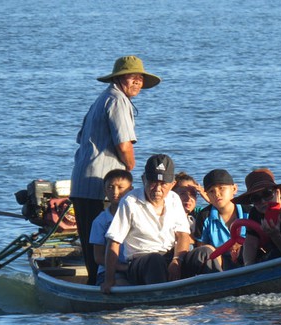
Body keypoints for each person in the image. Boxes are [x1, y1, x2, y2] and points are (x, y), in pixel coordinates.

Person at [70, 55, 161, 285]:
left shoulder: (103, 98)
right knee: (106, 239)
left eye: (140, 78)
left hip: (83, 183)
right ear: (120, 78)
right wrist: (130, 169)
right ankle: (105, 288)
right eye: (133, 77)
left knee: (92, 244)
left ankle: (97, 284)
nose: (138, 82)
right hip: (103, 185)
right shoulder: (118, 100)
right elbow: (124, 145)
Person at [102, 154, 191, 293]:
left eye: (163, 184)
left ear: (173, 184)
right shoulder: (130, 202)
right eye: (153, 183)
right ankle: (162, 298)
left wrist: (177, 260)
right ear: (144, 180)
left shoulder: (174, 199)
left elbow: (183, 235)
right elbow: (114, 242)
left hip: (170, 258)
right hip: (141, 263)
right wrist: (109, 280)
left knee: (203, 253)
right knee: (155, 260)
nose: (157, 189)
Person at [233, 168, 281, 266]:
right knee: (242, 254)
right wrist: (248, 266)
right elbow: (251, 242)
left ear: (277, 193)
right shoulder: (255, 213)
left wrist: (275, 235)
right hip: (275, 256)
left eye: (267, 194)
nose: (262, 201)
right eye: (256, 198)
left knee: (275, 254)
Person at [188, 169, 249, 272]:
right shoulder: (204, 216)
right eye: (211, 191)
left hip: (247, 260)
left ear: (234, 189)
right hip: (218, 265)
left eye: (221, 188)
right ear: (207, 195)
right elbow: (202, 247)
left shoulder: (248, 212)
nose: (217, 194)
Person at [89, 169, 133, 286]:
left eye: (120, 187)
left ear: (131, 190)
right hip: (109, 271)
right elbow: (98, 257)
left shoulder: (137, 214)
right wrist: (122, 267)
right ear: (105, 191)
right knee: (123, 285)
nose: (115, 192)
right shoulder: (101, 221)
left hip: (134, 266)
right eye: (110, 187)